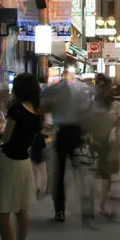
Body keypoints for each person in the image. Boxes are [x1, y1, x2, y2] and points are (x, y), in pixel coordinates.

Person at [0, 73, 42, 240]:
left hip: (10, 162)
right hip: (24, 163)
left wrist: (1, 130)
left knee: (2, 213)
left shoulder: (16, 110)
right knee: (21, 210)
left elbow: (7, 137)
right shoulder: (37, 111)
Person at [42, 68, 91, 223]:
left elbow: (44, 103)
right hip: (77, 132)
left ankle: (60, 210)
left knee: (60, 173)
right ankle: (86, 206)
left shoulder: (56, 89)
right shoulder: (82, 89)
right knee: (81, 169)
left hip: (62, 132)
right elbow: (87, 110)